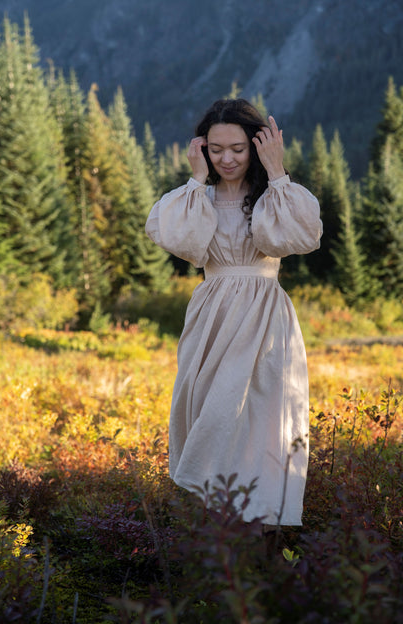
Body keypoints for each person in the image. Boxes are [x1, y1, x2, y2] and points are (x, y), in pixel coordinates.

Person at [145, 98, 322, 526]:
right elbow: (176, 238)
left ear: (256, 148)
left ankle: (262, 527)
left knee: (263, 417)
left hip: (265, 319)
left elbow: (304, 235)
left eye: (237, 149)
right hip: (212, 317)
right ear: (203, 148)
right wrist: (195, 179)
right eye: (216, 148)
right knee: (211, 413)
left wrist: (277, 171)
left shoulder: (272, 196)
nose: (226, 158)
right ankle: (214, 525)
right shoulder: (196, 198)